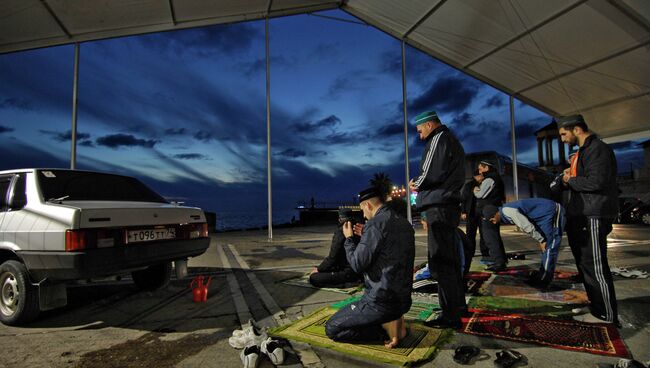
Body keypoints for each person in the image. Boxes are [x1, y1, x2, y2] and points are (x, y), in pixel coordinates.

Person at [325, 187, 415, 348]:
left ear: (368, 205)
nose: (364, 215)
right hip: (403, 300)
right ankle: (393, 321)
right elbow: (388, 250)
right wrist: (367, 234)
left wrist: (349, 239)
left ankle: (385, 329)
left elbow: (357, 264)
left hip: (381, 303)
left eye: (362, 210)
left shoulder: (374, 225)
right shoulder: (404, 223)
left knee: (332, 327)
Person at [557, 114, 619, 325]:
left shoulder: (597, 149)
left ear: (576, 129)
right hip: (582, 215)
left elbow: (596, 181)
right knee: (584, 265)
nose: (563, 139)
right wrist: (571, 176)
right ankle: (596, 305)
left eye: (564, 134)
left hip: (593, 214)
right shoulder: (584, 152)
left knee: (595, 266)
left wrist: (570, 179)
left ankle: (606, 314)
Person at [408, 110, 467, 329]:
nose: (420, 135)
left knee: (441, 262)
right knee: (450, 261)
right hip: (447, 206)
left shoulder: (439, 139)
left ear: (430, 125)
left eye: (420, 130)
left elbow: (432, 172)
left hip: (439, 207)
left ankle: (449, 315)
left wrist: (416, 183)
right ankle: (457, 306)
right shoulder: (451, 140)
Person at [483, 198, 565, 288]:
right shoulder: (505, 212)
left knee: (550, 245)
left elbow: (526, 226)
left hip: (552, 211)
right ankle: (542, 274)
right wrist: (541, 239)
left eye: (492, 219)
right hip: (542, 216)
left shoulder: (508, 211)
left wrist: (541, 240)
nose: (494, 222)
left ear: (496, 213)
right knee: (546, 248)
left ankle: (544, 280)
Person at [309, 208, 361, 288]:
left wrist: (319, 269)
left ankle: (347, 284)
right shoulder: (358, 229)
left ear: (340, 219)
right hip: (358, 269)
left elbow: (332, 257)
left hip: (348, 272)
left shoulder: (341, 232)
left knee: (314, 278)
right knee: (325, 269)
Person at [474, 160, 507, 272]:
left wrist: (475, 189)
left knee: (490, 237)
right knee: (495, 236)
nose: (479, 171)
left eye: (480, 169)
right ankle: (501, 260)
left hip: (489, 209)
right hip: (495, 208)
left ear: (486, 168)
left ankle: (498, 262)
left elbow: (480, 194)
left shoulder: (489, 179)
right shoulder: (497, 178)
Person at [461, 172, 488, 271]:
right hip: (471, 213)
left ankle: (485, 253)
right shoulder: (469, 185)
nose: (482, 177)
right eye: (481, 176)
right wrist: (463, 211)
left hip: (481, 213)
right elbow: (463, 198)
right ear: (476, 176)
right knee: (470, 234)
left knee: (483, 234)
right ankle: (470, 252)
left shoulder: (484, 184)